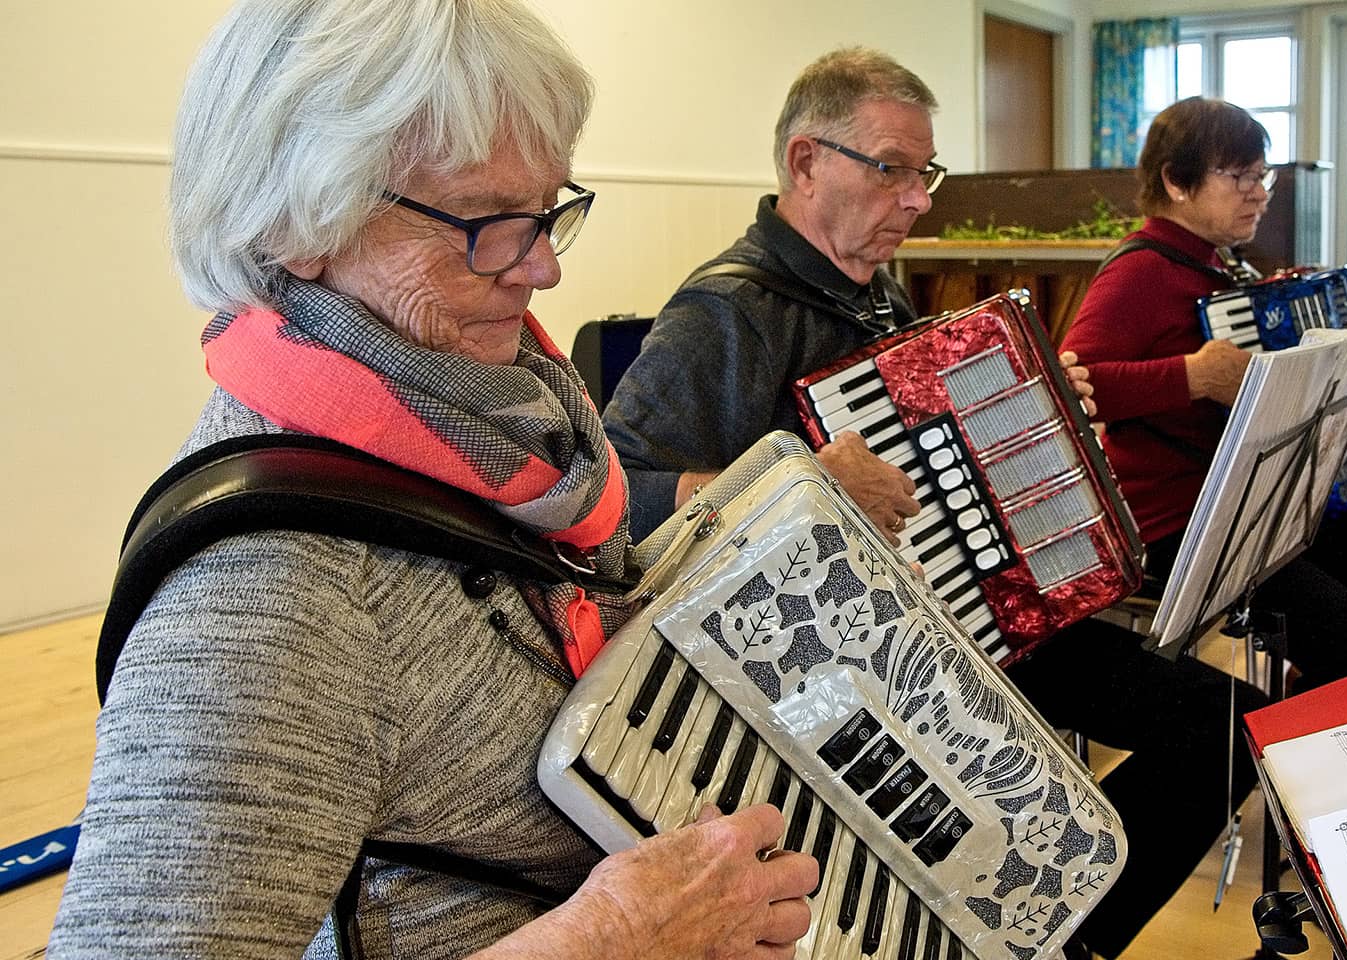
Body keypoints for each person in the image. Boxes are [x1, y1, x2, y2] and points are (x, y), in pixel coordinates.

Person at [50, 2, 818, 957]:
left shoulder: (494, 416)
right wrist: (616, 935)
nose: (543, 268)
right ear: (301, 224)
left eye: (548, 211)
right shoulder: (272, 595)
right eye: (489, 221)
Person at [603, 52, 1264, 960]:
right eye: (892, 170)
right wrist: (798, 479)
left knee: (1221, 727)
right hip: (839, 673)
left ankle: (1067, 938)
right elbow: (615, 496)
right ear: (805, 162)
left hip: (960, 615)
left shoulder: (871, 286)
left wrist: (1042, 407)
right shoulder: (730, 311)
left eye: (926, 173)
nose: (918, 200)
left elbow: (939, 448)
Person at [1062, 96, 1347, 686]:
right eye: (1239, 176)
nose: (1259, 194)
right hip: (1180, 523)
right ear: (1176, 181)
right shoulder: (1139, 271)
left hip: (1255, 508)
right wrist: (1193, 376)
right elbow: (1073, 387)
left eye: (1261, 176)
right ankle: (1320, 734)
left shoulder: (1218, 269)